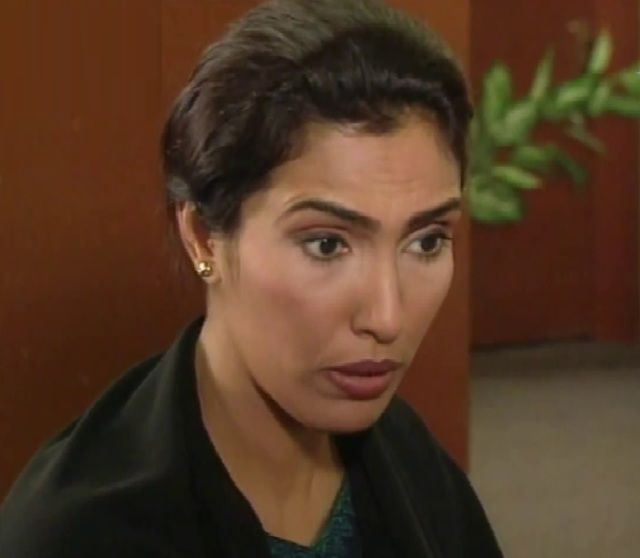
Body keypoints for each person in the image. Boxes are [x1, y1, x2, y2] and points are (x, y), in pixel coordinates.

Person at [0, 0, 503, 556]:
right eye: (327, 244)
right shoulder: (78, 534)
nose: (387, 318)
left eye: (425, 241)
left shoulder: (412, 463)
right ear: (203, 236)